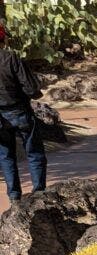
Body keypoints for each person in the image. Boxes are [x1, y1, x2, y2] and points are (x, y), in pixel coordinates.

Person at [0, 23, 45, 201]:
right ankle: (39, 192)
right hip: (20, 112)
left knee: (6, 156)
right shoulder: (11, 58)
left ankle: (14, 197)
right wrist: (36, 93)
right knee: (34, 152)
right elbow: (31, 87)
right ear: (3, 39)